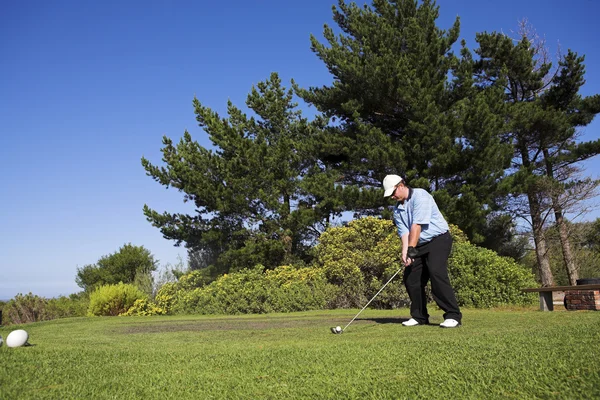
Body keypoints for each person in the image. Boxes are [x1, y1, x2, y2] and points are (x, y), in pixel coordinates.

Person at [382, 174, 462, 328]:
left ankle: (453, 315)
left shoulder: (421, 196)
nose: (392, 197)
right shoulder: (398, 210)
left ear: (401, 185)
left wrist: (412, 248)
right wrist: (405, 253)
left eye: (393, 193)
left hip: (438, 239)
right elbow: (405, 233)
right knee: (411, 278)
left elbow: (416, 225)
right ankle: (419, 316)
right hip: (418, 244)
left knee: (436, 271)